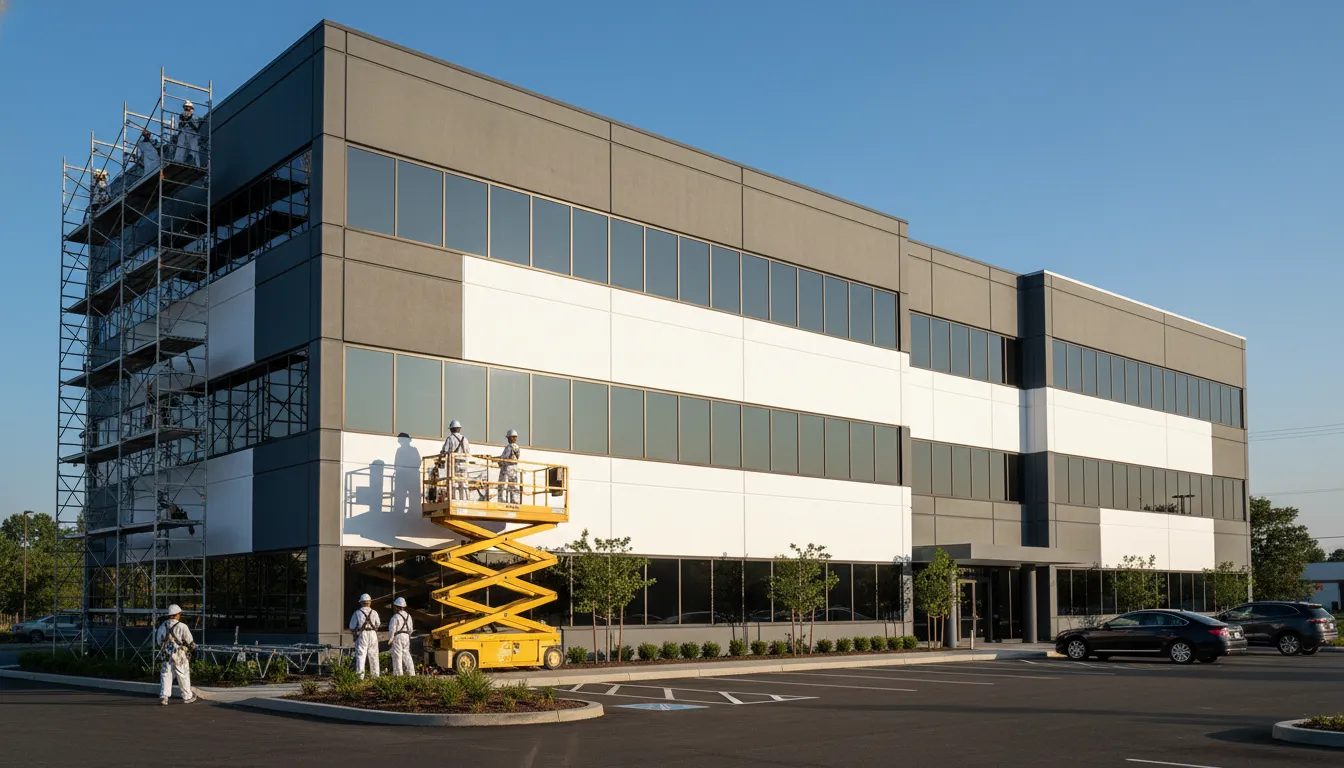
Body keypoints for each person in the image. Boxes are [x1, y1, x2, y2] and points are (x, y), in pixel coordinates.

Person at [156, 604, 197, 705]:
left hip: (167, 655)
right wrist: (193, 648)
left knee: (166, 675)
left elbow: (158, 641)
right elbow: (190, 641)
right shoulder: (182, 626)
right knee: (183, 675)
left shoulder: (162, 626)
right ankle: (187, 696)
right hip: (180, 655)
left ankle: (164, 697)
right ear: (177, 614)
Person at [348, 593, 381, 679]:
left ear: (361, 603)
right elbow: (378, 624)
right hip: (373, 634)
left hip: (362, 634)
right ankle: (376, 677)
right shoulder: (374, 612)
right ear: (369, 602)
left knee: (361, 656)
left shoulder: (357, 613)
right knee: (374, 656)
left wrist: (354, 635)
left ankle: (360, 677)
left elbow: (351, 627)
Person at [440, 420, 472, 501]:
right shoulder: (465, 439)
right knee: (463, 482)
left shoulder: (450, 438)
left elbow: (444, 451)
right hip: (464, 464)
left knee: (453, 481)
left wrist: (441, 457)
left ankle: (454, 499)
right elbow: (468, 452)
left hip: (454, 463)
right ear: (459, 429)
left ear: (451, 429)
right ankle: (464, 499)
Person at [387, 597, 415, 676]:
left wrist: (391, 639)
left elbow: (392, 629)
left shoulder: (395, 617)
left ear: (397, 607)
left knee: (397, 655)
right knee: (406, 654)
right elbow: (411, 629)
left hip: (398, 636)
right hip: (406, 636)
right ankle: (412, 673)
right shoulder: (409, 616)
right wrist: (408, 636)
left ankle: (398, 675)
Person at [172, 100, 205, 166]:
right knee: (180, 146)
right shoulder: (181, 116)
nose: (187, 110)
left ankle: (193, 161)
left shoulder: (195, 118)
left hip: (193, 134)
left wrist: (187, 121)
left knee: (194, 148)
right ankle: (178, 161)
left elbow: (196, 128)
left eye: (188, 109)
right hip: (184, 132)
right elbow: (180, 127)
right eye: (186, 109)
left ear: (191, 109)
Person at [498, 429, 522, 504]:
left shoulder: (509, 447)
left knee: (503, 485)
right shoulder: (517, 447)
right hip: (514, 468)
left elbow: (505, 457)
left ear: (512, 437)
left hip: (507, 468)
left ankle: (502, 501)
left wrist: (497, 459)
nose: (508, 439)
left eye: (509, 437)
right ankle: (514, 501)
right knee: (513, 486)